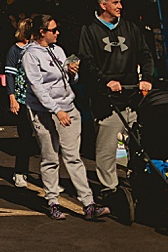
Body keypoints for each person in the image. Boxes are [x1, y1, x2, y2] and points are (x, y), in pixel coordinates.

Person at [22, 14, 109, 222]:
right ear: (42, 32)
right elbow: (38, 88)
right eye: (53, 30)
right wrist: (55, 110)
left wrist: (72, 72)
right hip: (44, 112)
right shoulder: (30, 55)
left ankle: (88, 203)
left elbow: (68, 79)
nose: (57, 33)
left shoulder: (58, 50)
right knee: (50, 157)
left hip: (67, 107)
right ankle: (53, 202)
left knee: (73, 156)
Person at [76, 0, 154, 195]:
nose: (120, 6)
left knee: (139, 144)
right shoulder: (90, 30)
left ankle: (139, 178)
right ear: (103, 5)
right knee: (107, 148)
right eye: (116, 3)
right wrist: (105, 81)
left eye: (120, 2)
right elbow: (87, 62)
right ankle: (109, 188)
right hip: (107, 100)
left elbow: (145, 54)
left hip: (133, 96)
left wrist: (146, 78)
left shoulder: (130, 28)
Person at [3, 18, 36, 189]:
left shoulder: (39, 49)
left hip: (39, 99)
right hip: (23, 98)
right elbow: (10, 76)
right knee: (25, 137)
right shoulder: (15, 50)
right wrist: (12, 98)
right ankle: (20, 172)